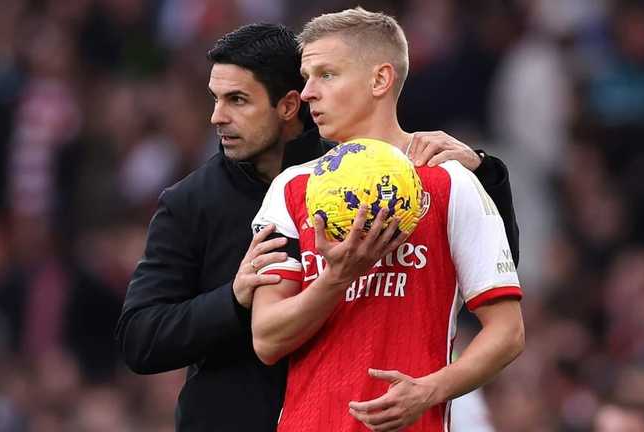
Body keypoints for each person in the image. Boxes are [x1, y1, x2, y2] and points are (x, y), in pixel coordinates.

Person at [115, 23, 520, 432]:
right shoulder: (198, 201)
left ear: (288, 106)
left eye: (237, 100)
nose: (217, 117)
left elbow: (487, 276)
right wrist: (234, 299)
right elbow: (141, 337)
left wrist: (485, 175)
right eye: (216, 99)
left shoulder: (382, 177)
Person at [251, 8, 524, 432]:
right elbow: (266, 339)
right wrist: (336, 277)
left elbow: (507, 333)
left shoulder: (450, 182)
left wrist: (430, 390)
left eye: (326, 74)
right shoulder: (290, 187)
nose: (306, 93)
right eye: (306, 77)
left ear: (380, 79)